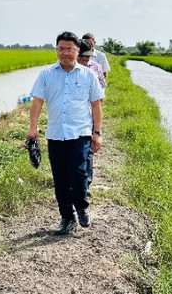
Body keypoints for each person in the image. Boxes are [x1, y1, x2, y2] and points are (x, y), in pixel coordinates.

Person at [27, 31, 104, 235]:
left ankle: (82, 207)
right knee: (60, 178)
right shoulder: (46, 74)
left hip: (80, 133)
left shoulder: (88, 75)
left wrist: (97, 133)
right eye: (61, 48)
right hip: (55, 134)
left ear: (78, 51)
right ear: (56, 50)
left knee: (78, 172)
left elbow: (96, 105)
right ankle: (67, 217)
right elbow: (37, 102)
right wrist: (32, 128)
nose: (65, 53)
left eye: (69, 49)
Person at [77, 39, 106, 187]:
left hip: (90, 114)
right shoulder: (68, 70)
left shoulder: (96, 68)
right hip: (74, 115)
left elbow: (101, 92)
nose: (84, 59)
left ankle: (86, 183)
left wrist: (97, 128)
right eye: (81, 56)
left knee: (87, 149)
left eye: (87, 56)